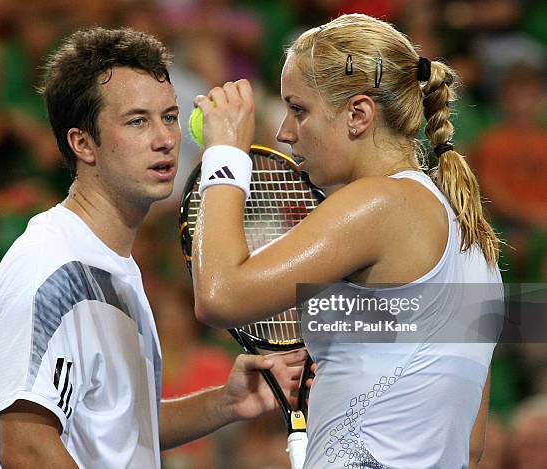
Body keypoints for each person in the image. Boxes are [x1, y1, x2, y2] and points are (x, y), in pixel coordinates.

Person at [0, 27, 306, 469]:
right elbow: (24, 446)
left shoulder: (115, 267)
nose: (165, 139)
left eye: (169, 117)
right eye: (137, 121)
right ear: (82, 143)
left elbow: (118, 428)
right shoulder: (49, 267)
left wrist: (224, 403)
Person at [191, 13, 502, 469]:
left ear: (358, 114)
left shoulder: (380, 203)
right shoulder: (472, 236)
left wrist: (224, 156)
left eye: (299, 109)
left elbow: (219, 295)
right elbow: (468, 445)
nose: (284, 133)